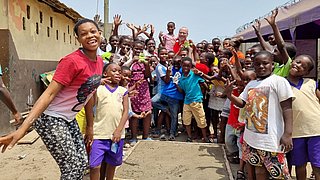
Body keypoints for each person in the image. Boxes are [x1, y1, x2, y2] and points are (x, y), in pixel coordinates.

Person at [0, 18, 104, 179]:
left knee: (82, 164)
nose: (90, 36)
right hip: (51, 118)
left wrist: (90, 127)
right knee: (72, 168)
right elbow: (48, 94)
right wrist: (22, 130)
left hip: (68, 119)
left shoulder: (99, 61)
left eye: (93, 31)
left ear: (100, 33)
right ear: (77, 39)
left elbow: (89, 94)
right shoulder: (72, 61)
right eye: (83, 34)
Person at [224, 51, 294, 179]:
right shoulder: (251, 84)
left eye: (265, 63)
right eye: (257, 64)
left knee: (279, 175)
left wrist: (288, 134)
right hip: (252, 139)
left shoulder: (279, 81)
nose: (261, 66)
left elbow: (287, 108)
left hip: (272, 141)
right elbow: (242, 103)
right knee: (259, 171)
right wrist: (229, 95)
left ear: (272, 64)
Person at [86, 63, 128, 180]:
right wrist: (95, 85)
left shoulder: (122, 91)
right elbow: (90, 104)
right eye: (114, 71)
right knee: (94, 166)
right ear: (105, 74)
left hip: (116, 135)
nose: (118, 73)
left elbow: (125, 112)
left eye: (119, 71)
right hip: (99, 134)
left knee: (112, 164)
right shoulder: (99, 89)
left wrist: (118, 131)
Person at [286, 55, 320, 180]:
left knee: (317, 165)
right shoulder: (281, 84)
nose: (298, 65)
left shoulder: (311, 83)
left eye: (303, 66)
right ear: (292, 61)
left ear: (307, 72)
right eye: (297, 61)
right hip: (295, 132)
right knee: (300, 165)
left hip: (316, 130)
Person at [175, 57, 208, 142]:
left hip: (196, 100)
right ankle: (189, 137)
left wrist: (204, 92)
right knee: (186, 121)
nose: (186, 68)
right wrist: (176, 84)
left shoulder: (195, 75)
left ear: (190, 66)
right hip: (187, 101)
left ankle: (205, 138)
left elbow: (204, 83)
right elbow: (181, 90)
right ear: (181, 65)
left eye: (188, 66)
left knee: (201, 120)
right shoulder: (181, 78)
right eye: (184, 66)